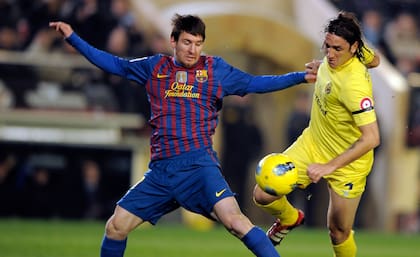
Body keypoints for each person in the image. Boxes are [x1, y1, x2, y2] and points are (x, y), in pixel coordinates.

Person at [50, 14, 317, 257]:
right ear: (173, 41)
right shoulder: (155, 67)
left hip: (199, 167)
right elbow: (114, 64)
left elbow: (255, 83)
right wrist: (74, 38)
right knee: (116, 227)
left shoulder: (215, 70)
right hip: (161, 173)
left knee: (236, 222)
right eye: (187, 42)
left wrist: (299, 77)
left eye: (198, 43)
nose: (193, 50)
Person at [253, 11, 380, 257]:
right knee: (263, 193)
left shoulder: (354, 87)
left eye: (338, 49)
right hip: (312, 144)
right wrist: (324, 67)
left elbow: (372, 138)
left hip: (348, 165)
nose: (331, 54)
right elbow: (375, 61)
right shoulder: (353, 54)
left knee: (338, 231)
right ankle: (290, 218)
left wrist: (329, 166)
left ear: (353, 47)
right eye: (327, 47)